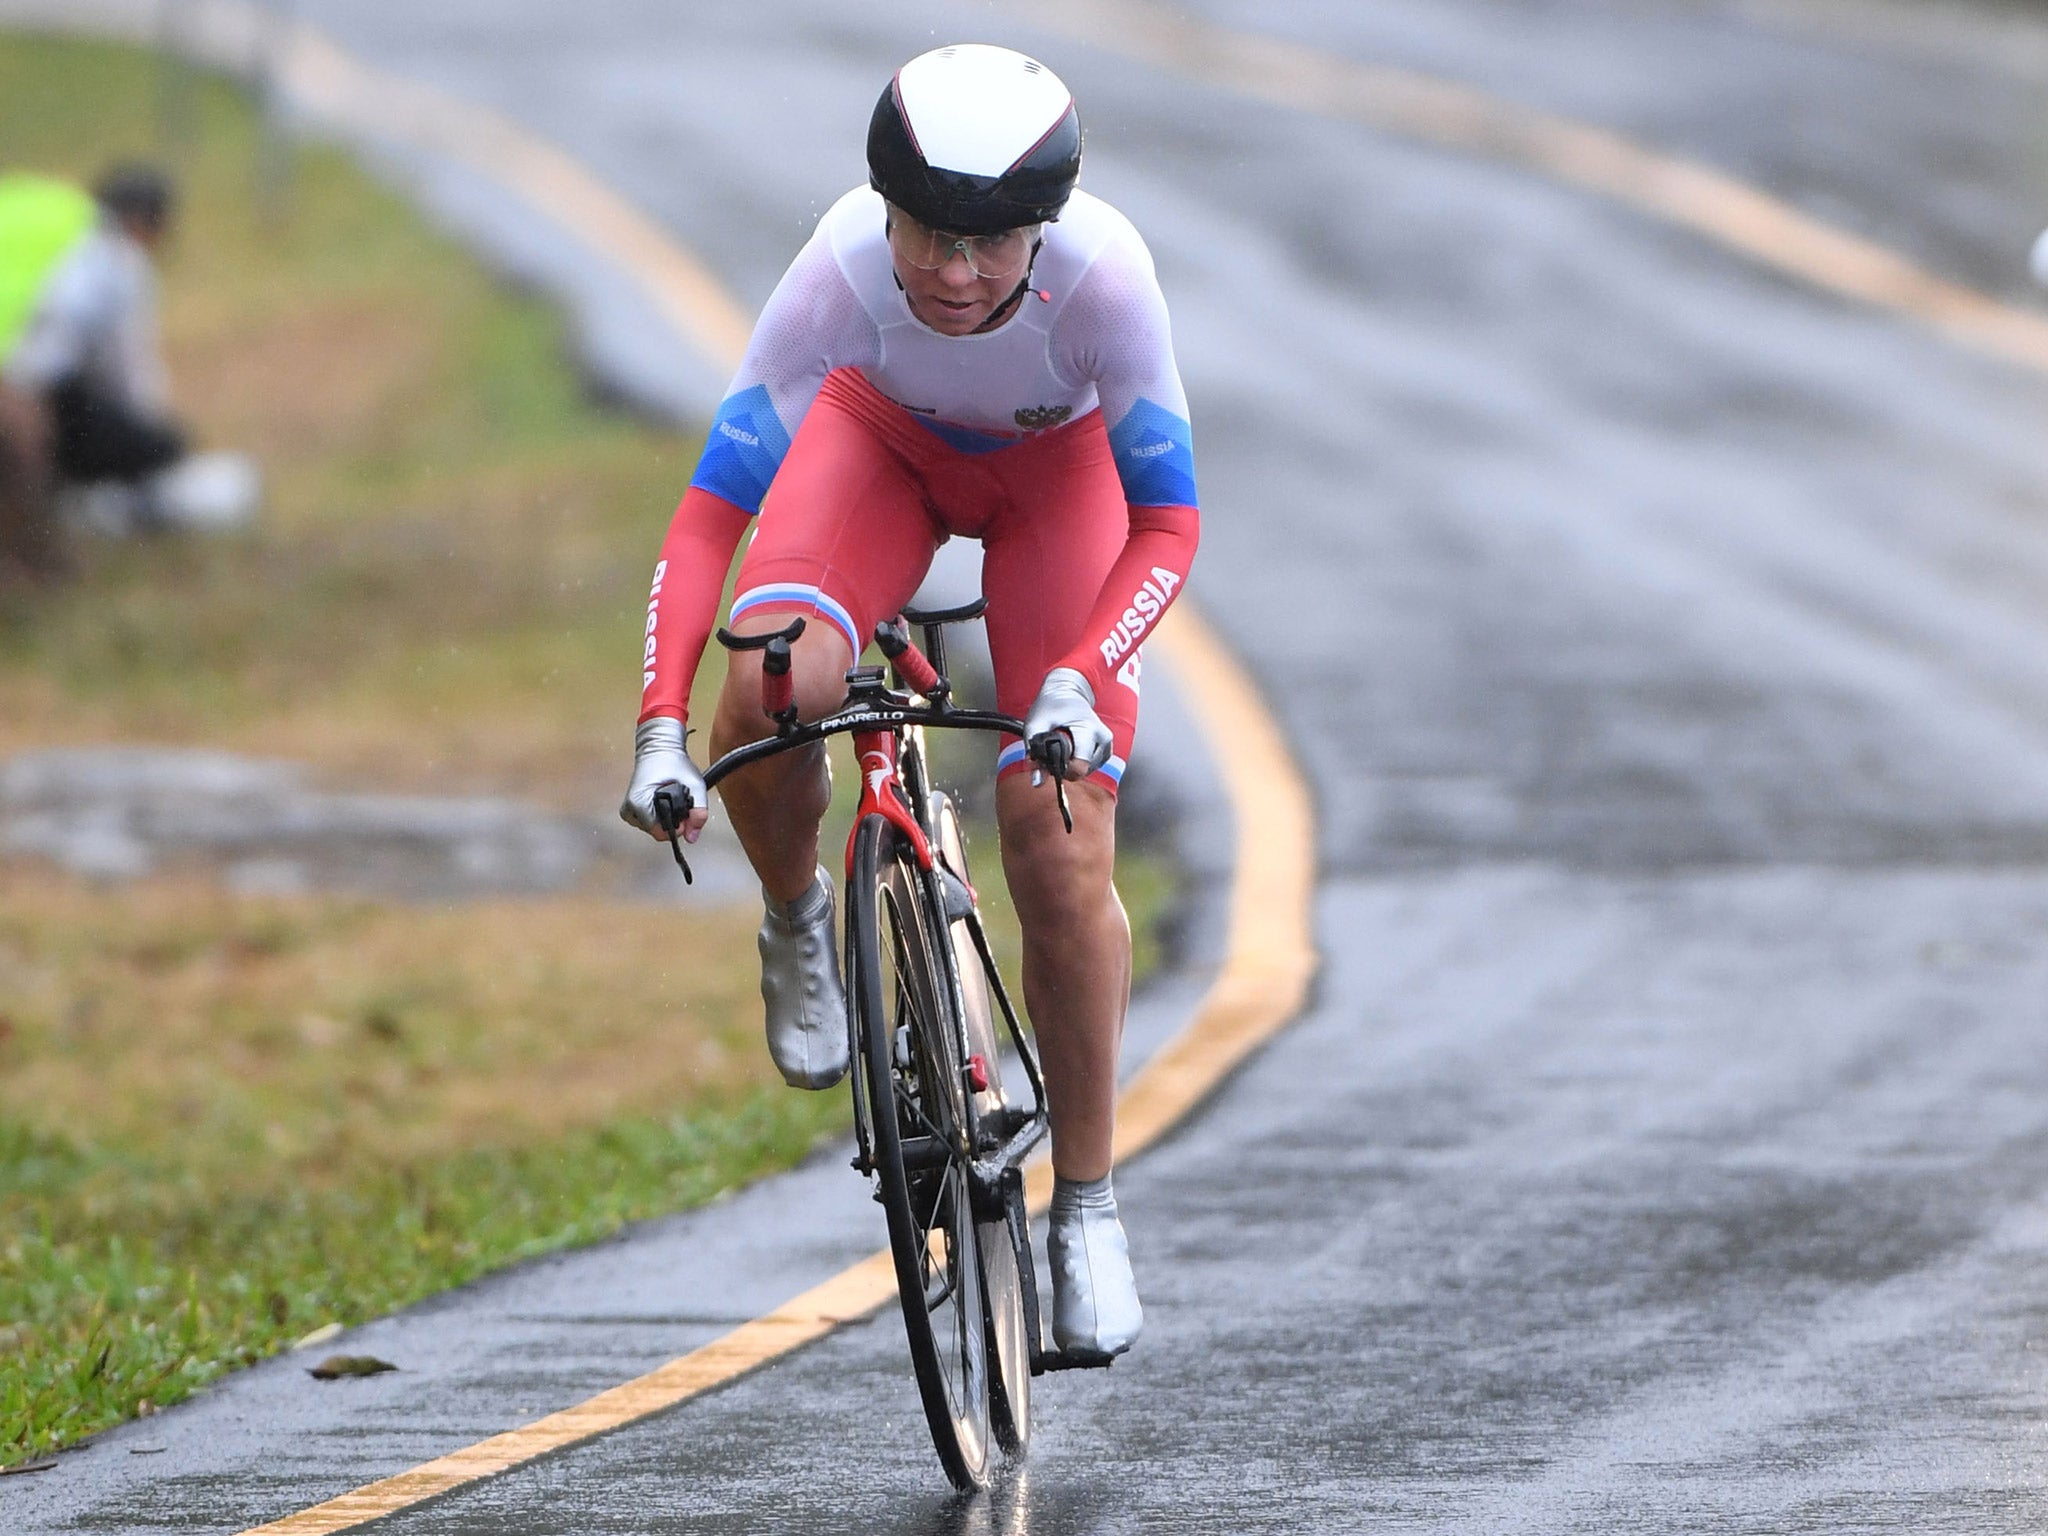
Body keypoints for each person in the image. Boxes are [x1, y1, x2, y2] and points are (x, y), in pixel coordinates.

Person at [619, 44, 1200, 1359]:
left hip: (1063, 486)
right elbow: (713, 511)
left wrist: (1077, 678)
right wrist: (661, 722)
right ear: (884, 208)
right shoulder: (837, 272)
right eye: (930, 235)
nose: (953, 271)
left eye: (994, 245)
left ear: (1043, 232)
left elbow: (1167, 528)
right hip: (873, 448)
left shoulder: (1106, 278)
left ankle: (1090, 1211)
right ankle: (795, 918)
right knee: (774, 675)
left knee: (1057, 833)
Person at [0, 164, 253, 580]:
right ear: (141, 220)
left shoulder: (70, 241)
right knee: (165, 446)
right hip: (50, 402)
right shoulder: (121, 262)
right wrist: (150, 433)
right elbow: (128, 370)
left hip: (27, 392)